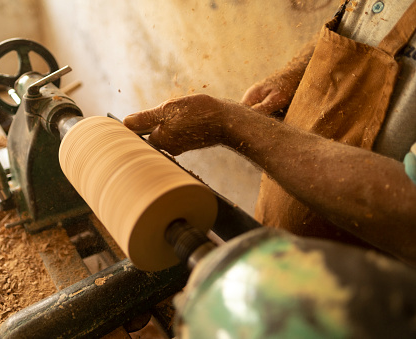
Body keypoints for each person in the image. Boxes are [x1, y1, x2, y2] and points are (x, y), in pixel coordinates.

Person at [123, 0, 416, 267]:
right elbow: (365, 17)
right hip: (282, 245)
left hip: (371, 288)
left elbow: (408, 207)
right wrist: (296, 71)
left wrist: (228, 123)